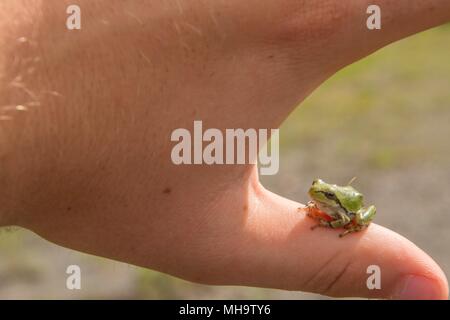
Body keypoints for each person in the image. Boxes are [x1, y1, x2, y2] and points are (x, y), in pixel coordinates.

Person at [0, 0, 449, 299]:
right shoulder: (319, 201)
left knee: (355, 216)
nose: (316, 197)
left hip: (351, 214)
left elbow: (349, 214)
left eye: (321, 196)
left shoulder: (335, 208)